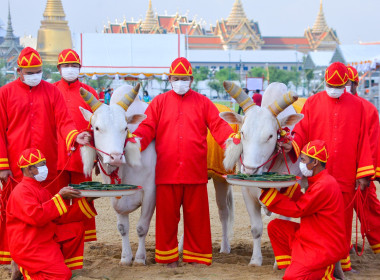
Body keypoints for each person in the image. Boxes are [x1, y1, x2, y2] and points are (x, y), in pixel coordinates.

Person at [133, 57, 235, 267]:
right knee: (166, 220)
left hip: (195, 171)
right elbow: (147, 127)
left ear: (191, 79)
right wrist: (133, 141)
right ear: (170, 79)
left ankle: (196, 257)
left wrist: (233, 143)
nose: (180, 82)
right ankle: (167, 258)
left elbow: (218, 126)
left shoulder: (203, 102)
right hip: (166, 171)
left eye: (185, 78)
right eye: (177, 78)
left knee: (196, 219)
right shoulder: (158, 102)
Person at [0, 47, 91, 265]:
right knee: (16, 213)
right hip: (16, 167)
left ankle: (48, 254)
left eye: (38, 71)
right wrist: (2, 165)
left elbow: (64, 121)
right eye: (30, 72)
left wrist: (74, 137)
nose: (35, 76)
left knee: (49, 209)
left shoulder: (52, 92)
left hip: (46, 165)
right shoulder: (5, 93)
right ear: (19, 71)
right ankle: (16, 259)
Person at [280, 62, 374, 272]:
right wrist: (292, 143)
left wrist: (363, 173)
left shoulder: (358, 105)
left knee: (343, 221)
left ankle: (340, 264)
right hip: (318, 174)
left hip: (346, 173)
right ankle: (318, 260)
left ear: (345, 84)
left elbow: (363, 141)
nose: (333, 88)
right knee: (315, 220)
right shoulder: (312, 103)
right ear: (325, 81)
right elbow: (302, 131)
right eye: (329, 84)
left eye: (337, 85)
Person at [6, 148, 97, 280]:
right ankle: (26, 269)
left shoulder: (39, 188)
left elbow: (58, 216)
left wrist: (87, 201)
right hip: (29, 244)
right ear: (29, 169)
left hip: (43, 235)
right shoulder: (21, 191)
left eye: (45, 164)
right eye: (41, 165)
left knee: (76, 229)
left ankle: (47, 266)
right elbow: (37, 217)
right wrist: (60, 197)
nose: (45, 168)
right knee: (62, 275)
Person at [261, 140, 346, 280]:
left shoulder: (324, 184)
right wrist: (286, 188)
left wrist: (271, 196)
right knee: (275, 228)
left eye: (303, 159)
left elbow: (299, 209)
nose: (300, 163)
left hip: (322, 244)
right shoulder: (320, 180)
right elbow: (308, 202)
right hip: (311, 233)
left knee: (291, 277)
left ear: (315, 163)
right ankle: (297, 263)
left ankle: (323, 270)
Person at [54, 49, 99, 242]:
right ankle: (57, 237)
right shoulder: (51, 90)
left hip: (85, 155)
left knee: (83, 196)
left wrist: (97, 155)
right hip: (57, 155)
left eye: (74, 66)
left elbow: (98, 126)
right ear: (59, 68)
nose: (70, 69)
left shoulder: (90, 93)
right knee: (58, 198)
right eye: (66, 66)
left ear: (80, 68)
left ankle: (81, 240)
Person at [346, 65, 380, 254]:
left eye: (347, 83)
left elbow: (373, 144)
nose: (343, 86)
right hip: (338, 172)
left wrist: (366, 174)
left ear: (355, 84)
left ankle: (378, 245)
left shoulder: (368, 109)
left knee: (370, 209)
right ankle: (341, 247)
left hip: (361, 171)